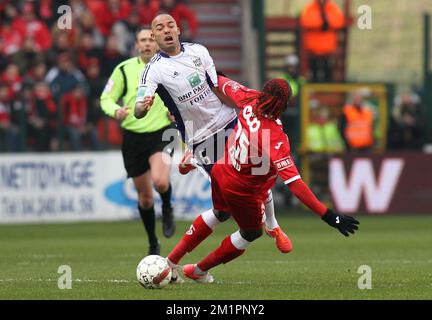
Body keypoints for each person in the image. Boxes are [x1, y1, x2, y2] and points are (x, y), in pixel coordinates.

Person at [135, 14, 291, 269]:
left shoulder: (199, 51)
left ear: (178, 29)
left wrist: (244, 111)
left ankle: (273, 226)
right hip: (202, 138)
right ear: (154, 36)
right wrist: (144, 105)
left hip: (229, 122)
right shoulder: (153, 70)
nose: (166, 30)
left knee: (259, 168)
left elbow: (217, 86)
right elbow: (138, 110)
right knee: (226, 208)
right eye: (159, 28)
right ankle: (182, 264)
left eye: (170, 25)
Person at [170, 76, 359, 282]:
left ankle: (171, 260)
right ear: (285, 104)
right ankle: (198, 271)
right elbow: (295, 184)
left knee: (221, 212)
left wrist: (181, 102)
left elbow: (216, 80)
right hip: (241, 189)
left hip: (222, 168)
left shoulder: (251, 98)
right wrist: (328, 215)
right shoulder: (274, 138)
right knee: (251, 233)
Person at [100, 27, 176, 255]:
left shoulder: (169, 66)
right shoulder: (124, 70)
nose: (147, 44)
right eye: (143, 40)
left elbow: (183, 95)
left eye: (151, 39)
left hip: (162, 133)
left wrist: (177, 112)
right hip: (133, 138)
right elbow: (106, 98)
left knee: (160, 181)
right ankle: (153, 242)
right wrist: (116, 111)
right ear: (136, 45)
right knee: (144, 198)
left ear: (157, 42)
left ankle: (168, 207)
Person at [300, 0, 345, 82]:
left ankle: (327, 91)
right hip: (313, 49)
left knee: (328, 72)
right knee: (313, 72)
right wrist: (321, 23)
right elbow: (305, 21)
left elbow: (339, 21)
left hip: (328, 50)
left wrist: (327, 22)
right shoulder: (310, 8)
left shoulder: (332, 8)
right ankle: (314, 91)